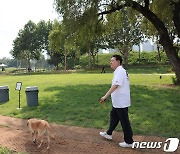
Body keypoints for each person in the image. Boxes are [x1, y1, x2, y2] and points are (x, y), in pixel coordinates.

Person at [99, 54, 134, 148]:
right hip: (118, 102)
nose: (110, 63)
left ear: (118, 61)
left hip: (121, 102)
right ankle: (109, 133)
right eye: (110, 61)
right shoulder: (119, 71)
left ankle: (129, 141)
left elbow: (115, 85)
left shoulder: (120, 71)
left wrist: (105, 96)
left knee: (124, 121)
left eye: (112, 61)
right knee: (114, 116)